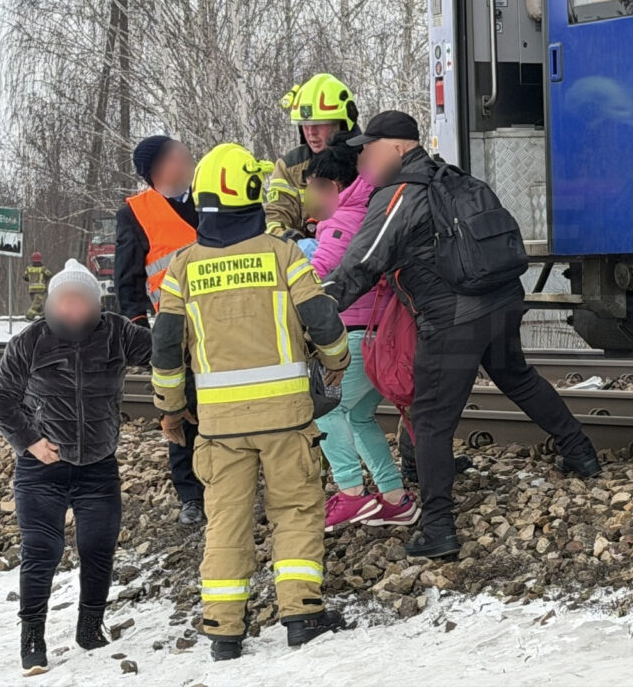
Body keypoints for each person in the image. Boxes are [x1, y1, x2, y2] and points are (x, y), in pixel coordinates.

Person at [321, 111, 602, 560]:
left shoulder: (400, 193)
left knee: (431, 419)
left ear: (397, 147)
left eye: (369, 151)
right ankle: (581, 452)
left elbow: (362, 261)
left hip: (454, 318)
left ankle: (438, 529)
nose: (363, 162)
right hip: (502, 300)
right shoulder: (455, 178)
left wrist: (318, 308)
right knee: (517, 377)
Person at [151, 142, 351, 661]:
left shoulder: (183, 268)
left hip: (219, 427)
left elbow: (166, 345)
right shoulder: (283, 255)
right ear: (253, 193)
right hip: (287, 419)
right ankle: (302, 615)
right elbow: (322, 320)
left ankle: (223, 630)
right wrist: (337, 360)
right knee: (296, 511)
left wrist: (170, 408)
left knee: (226, 522)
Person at [0, 259, 153, 676]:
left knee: (98, 547)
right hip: (42, 469)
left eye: (81, 301)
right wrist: (29, 441)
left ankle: (90, 627)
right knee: (42, 550)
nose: (73, 309)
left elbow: (164, 352)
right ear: (52, 304)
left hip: (98, 466)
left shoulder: (117, 333)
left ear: (97, 304)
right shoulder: (30, 341)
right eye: (65, 301)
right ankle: (32, 638)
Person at [304, 133, 419, 530]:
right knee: (359, 416)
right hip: (379, 333)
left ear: (333, 186)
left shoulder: (341, 222)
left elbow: (319, 275)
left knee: (325, 408)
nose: (309, 197)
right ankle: (395, 500)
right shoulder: (372, 209)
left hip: (353, 331)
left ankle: (352, 493)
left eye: (313, 188)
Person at [116, 135, 204, 525]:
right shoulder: (136, 212)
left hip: (226, 323)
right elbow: (128, 281)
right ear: (157, 168)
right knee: (180, 410)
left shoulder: (212, 195)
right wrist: (141, 335)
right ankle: (191, 497)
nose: (187, 158)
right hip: (175, 330)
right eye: (177, 154)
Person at [265, 73, 359, 240]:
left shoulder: (366, 162)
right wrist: (295, 242)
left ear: (342, 123)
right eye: (305, 125)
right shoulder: (289, 167)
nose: (311, 132)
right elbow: (275, 218)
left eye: (319, 124)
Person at [23, 252, 52, 320]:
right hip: (40, 290)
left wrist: (31, 280)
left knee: (37, 304)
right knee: (36, 304)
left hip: (31, 289)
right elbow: (49, 274)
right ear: (40, 260)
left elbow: (24, 277)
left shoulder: (29, 268)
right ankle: (29, 315)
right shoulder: (43, 269)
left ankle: (43, 315)